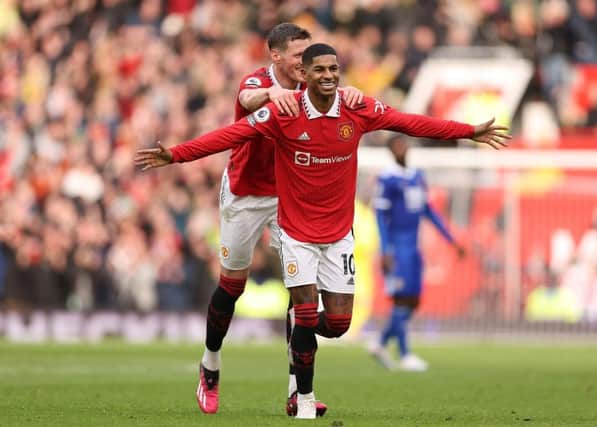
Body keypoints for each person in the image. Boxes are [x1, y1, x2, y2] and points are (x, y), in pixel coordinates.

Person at [135, 42, 510, 419]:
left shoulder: (356, 108)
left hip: (336, 234)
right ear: (303, 73)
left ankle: (299, 339)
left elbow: (410, 122)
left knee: (337, 323)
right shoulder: (282, 110)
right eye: (319, 69)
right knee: (258, 293)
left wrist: (469, 131)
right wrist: (177, 154)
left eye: (334, 69)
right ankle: (295, 395)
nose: (327, 75)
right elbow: (232, 133)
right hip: (281, 220)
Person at [187, 23, 363, 416]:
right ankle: (210, 363)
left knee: (301, 291)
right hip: (246, 193)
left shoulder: (315, 86)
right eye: (299, 55)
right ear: (277, 57)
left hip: (289, 196)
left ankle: (296, 390)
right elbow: (248, 98)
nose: (307, 61)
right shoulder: (259, 81)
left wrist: (351, 92)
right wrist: (271, 94)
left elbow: (344, 104)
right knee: (232, 286)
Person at [369, 135, 466, 372]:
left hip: (414, 247)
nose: (403, 148)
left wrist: (452, 240)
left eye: (405, 144)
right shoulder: (388, 179)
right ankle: (403, 354)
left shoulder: (416, 177)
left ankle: (380, 343)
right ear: (391, 150)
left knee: (413, 300)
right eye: (398, 145)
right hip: (397, 246)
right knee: (401, 298)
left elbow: (428, 211)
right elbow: (381, 217)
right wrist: (385, 250)